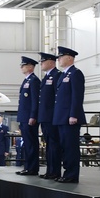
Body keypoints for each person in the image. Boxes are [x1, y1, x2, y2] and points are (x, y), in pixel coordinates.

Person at [52, 46, 86, 184]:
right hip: (61, 117)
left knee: (71, 147)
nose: (59, 59)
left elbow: (77, 97)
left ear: (70, 58)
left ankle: (71, 174)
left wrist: (73, 114)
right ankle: (67, 172)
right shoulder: (63, 75)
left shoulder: (75, 73)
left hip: (70, 118)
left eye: (61, 56)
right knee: (65, 147)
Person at [37, 52, 62, 180]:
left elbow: (57, 98)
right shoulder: (46, 78)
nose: (41, 63)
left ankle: (55, 171)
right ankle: (50, 170)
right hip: (45, 117)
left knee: (54, 145)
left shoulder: (57, 76)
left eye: (43, 61)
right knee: (48, 145)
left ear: (51, 62)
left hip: (52, 117)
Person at [15, 56, 40, 176]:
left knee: (31, 144)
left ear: (30, 67)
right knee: (27, 143)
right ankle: (28, 166)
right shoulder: (27, 80)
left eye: (23, 65)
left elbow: (35, 100)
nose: (21, 67)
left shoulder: (34, 81)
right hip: (24, 117)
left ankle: (32, 168)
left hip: (29, 117)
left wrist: (33, 115)